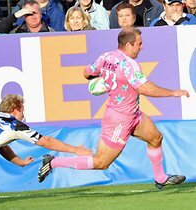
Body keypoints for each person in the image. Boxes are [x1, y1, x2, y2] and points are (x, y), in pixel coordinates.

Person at [38, 28, 190, 190]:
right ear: (129, 44)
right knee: (101, 162)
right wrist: (173, 92)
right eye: (139, 43)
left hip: (133, 114)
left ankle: (160, 178)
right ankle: (53, 162)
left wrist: (101, 81)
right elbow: (144, 88)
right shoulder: (130, 64)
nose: (142, 47)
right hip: (119, 119)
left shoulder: (105, 57)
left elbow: (86, 72)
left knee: (155, 138)